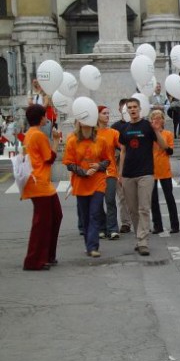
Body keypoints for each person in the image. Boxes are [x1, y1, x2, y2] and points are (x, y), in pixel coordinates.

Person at [119, 97, 169, 256]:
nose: (132, 110)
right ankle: (138, 236)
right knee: (133, 210)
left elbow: (163, 146)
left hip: (146, 173)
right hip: (128, 174)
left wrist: (155, 130)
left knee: (144, 208)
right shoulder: (125, 129)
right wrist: (120, 174)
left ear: (140, 109)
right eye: (130, 107)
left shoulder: (147, 126)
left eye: (135, 107)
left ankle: (143, 240)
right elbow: (123, 151)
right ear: (127, 110)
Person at [21, 104, 63, 271]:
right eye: (45, 116)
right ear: (40, 118)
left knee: (54, 217)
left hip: (40, 183)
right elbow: (50, 157)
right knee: (42, 222)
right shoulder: (38, 135)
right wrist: (56, 140)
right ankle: (34, 260)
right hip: (40, 183)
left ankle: (47, 256)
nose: (46, 118)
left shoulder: (30, 134)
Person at [63, 119, 110, 258]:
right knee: (84, 216)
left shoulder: (101, 140)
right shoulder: (72, 141)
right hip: (81, 183)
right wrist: (83, 172)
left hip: (98, 182)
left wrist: (98, 166)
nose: (86, 124)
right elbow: (69, 163)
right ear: (79, 124)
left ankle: (93, 247)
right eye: (83, 122)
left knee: (95, 213)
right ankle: (88, 244)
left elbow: (107, 160)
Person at [150, 110, 179, 234]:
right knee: (153, 199)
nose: (157, 120)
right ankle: (158, 225)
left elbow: (169, 151)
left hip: (164, 169)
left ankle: (175, 225)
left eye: (159, 118)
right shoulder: (149, 135)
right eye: (154, 118)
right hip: (151, 169)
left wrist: (158, 133)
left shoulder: (168, 134)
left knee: (169, 197)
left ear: (163, 120)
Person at [96, 106, 121, 240]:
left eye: (108, 113)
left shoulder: (113, 133)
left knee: (110, 200)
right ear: (97, 115)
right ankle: (101, 227)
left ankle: (112, 229)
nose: (107, 115)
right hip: (95, 172)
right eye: (104, 113)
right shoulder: (92, 133)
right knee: (98, 202)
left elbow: (123, 147)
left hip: (110, 171)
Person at [111, 99, 132, 233]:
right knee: (121, 194)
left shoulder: (137, 125)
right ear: (120, 110)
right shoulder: (115, 126)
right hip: (119, 162)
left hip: (134, 161)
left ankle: (131, 220)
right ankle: (125, 222)